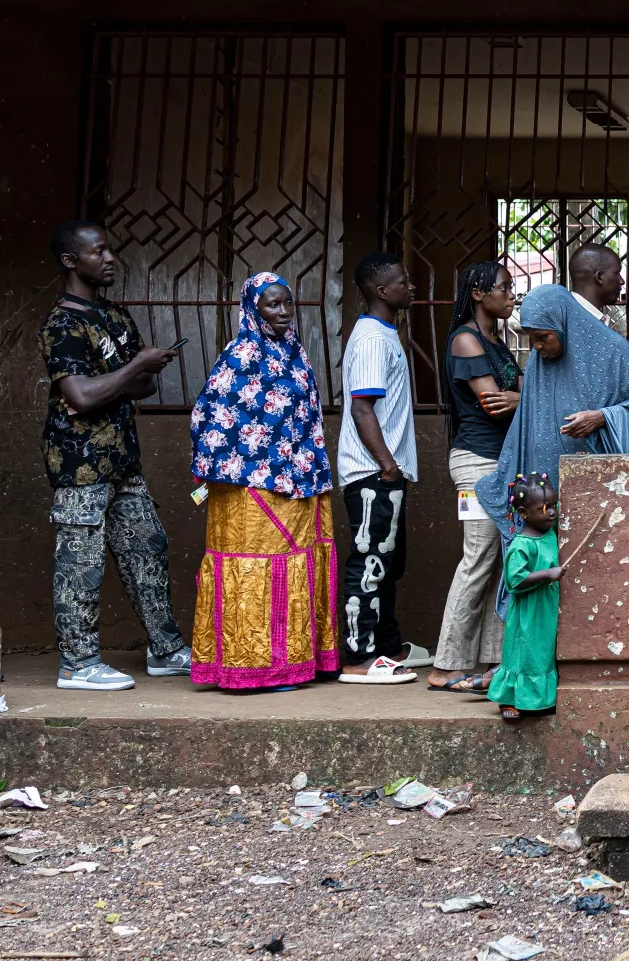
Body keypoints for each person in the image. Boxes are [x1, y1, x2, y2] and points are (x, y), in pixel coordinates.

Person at [39, 221, 190, 691]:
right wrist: (134, 367)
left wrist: (145, 366)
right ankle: (78, 664)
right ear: (71, 260)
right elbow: (81, 396)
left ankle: (165, 651)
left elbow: (139, 386)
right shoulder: (62, 323)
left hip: (122, 459)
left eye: (109, 250)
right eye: (98, 251)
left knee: (148, 549)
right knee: (80, 564)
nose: (110, 258)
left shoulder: (117, 316)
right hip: (79, 462)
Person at [188, 273, 339, 691]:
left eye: (288, 304)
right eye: (273, 305)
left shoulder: (294, 352)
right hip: (254, 485)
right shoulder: (240, 354)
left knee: (297, 564)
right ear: (253, 308)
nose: (283, 312)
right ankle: (255, 669)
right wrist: (249, 466)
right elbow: (209, 416)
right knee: (258, 568)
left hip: (300, 480)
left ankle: (298, 662)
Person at [474, 285, 629, 614]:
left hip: (597, 495)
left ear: (564, 324)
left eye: (543, 336)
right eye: (531, 338)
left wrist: (602, 417)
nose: (537, 346)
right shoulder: (537, 365)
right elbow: (528, 422)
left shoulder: (613, 351)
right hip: (544, 501)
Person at [428, 262, 520, 693]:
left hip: (497, 462)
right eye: (504, 287)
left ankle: (489, 661)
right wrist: (524, 395)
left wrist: (520, 395)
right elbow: (494, 403)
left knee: (498, 560)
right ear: (480, 293)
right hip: (476, 462)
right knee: (479, 556)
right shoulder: (466, 340)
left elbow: (517, 394)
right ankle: (446, 665)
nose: (511, 294)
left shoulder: (497, 342)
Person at [336, 253, 427, 684]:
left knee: (387, 563)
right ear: (380, 290)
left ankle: (387, 647)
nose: (410, 287)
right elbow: (361, 408)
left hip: (384, 472)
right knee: (370, 561)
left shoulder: (384, 333)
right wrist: (388, 465)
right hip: (373, 473)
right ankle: (360, 657)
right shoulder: (373, 339)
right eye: (402, 281)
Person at [488, 472, 562, 723]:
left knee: (541, 653)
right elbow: (515, 580)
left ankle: (538, 700)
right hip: (528, 611)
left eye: (554, 505)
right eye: (544, 508)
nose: (552, 512)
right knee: (523, 652)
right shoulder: (522, 545)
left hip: (545, 609)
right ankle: (509, 699)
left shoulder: (549, 531)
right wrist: (547, 574)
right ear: (523, 512)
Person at [569, 243, 624, 325]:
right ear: (599, 277)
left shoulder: (567, 314)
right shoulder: (572, 321)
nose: (622, 281)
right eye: (617, 274)